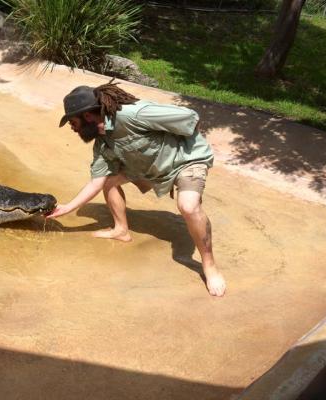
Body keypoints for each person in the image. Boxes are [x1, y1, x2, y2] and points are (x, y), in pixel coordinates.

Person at [46, 80, 226, 297]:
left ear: (87, 116)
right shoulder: (103, 143)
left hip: (185, 161)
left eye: (72, 122)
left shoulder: (133, 114)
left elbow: (190, 118)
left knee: (187, 206)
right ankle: (121, 230)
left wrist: (173, 147)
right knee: (109, 180)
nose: (72, 128)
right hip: (150, 168)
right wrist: (66, 209)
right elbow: (97, 181)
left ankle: (209, 266)